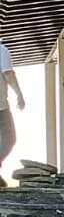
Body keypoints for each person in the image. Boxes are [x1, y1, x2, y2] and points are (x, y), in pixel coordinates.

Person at [0, 38, 26, 188]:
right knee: (9, 139)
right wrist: (19, 94)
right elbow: (8, 74)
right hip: (0, 108)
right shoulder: (2, 50)